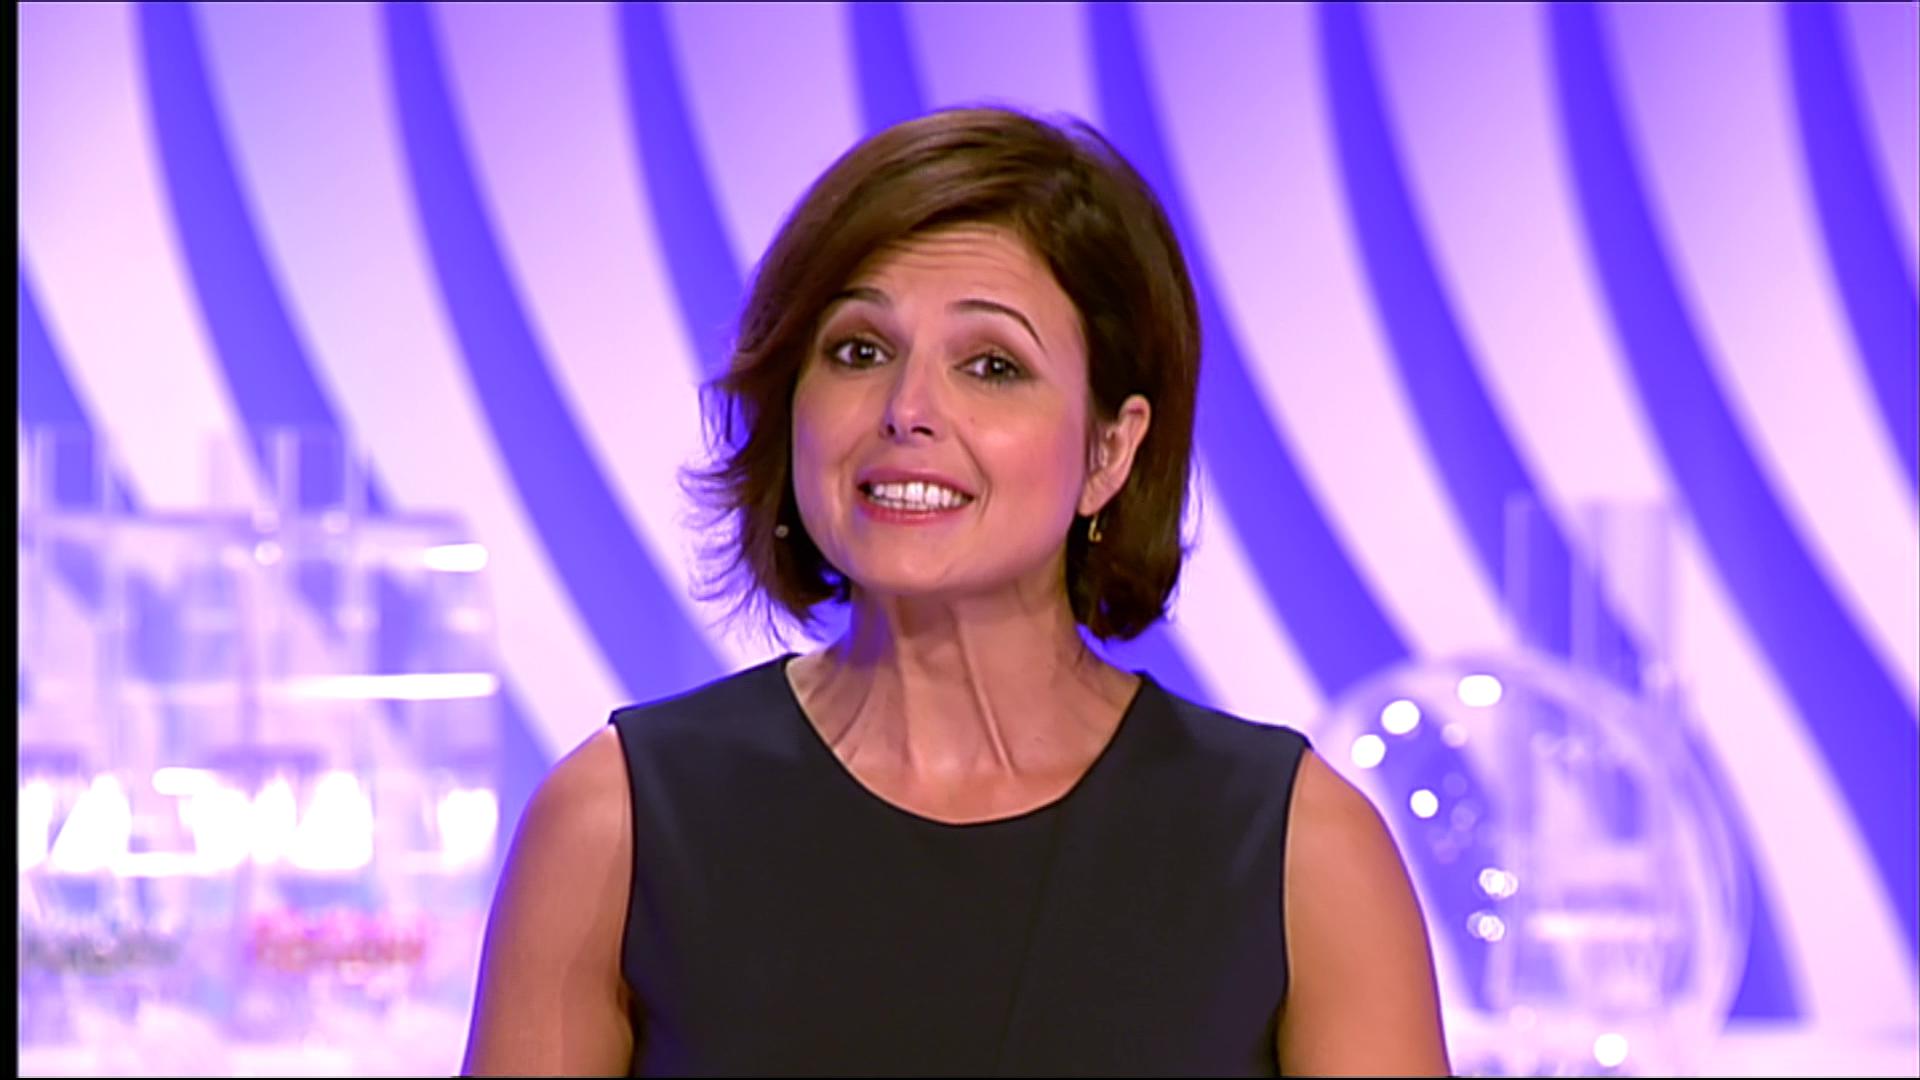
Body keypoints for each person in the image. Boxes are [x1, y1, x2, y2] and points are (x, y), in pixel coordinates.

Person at [462, 107, 1448, 1077]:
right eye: (859, 351)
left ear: (1110, 451)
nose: (907, 410)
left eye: (991, 365)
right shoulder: (618, 821)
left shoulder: (1298, 853)